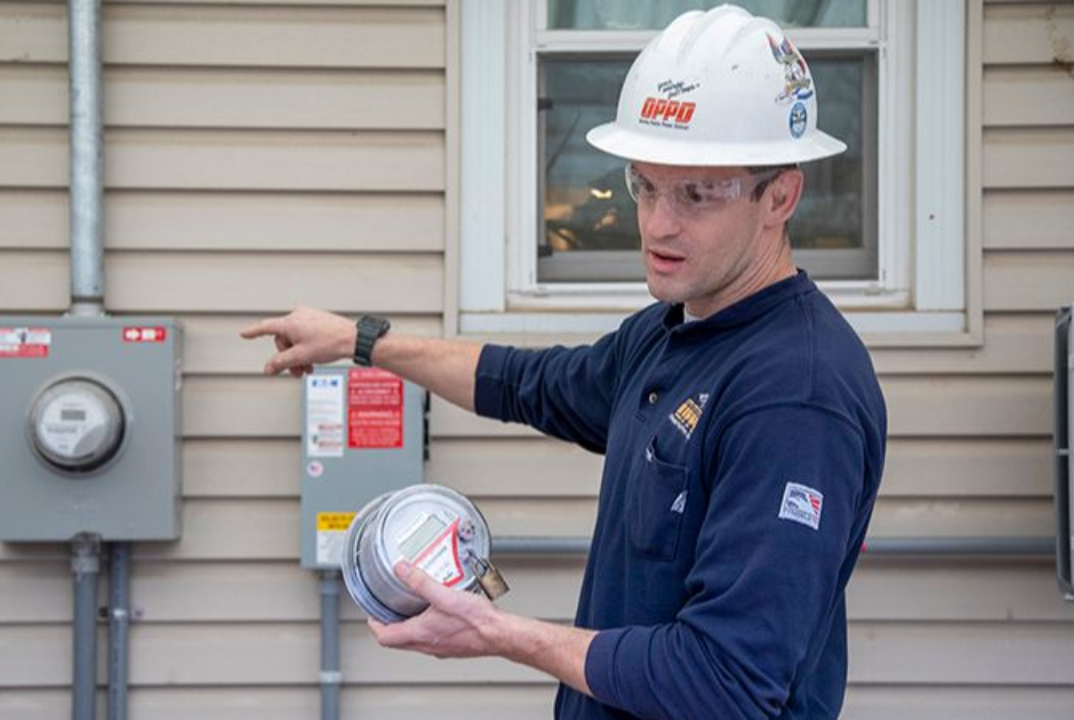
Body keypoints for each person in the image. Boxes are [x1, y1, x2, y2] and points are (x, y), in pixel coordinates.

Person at [240, 6, 886, 719]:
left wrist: (496, 632)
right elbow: (530, 384)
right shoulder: (671, 333)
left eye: (698, 193)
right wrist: (359, 341)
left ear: (780, 197)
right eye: (645, 184)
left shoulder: (796, 394)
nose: (658, 223)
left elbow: (726, 681)